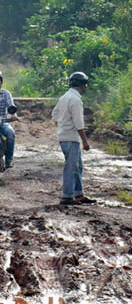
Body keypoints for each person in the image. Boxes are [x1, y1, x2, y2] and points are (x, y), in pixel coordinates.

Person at [52, 72, 94, 205]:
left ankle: (78, 193)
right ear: (82, 85)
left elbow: (54, 114)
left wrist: (62, 125)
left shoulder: (65, 97)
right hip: (71, 137)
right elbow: (78, 123)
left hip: (64, 136)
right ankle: (67, 195)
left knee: (77, 165)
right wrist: (85, 141)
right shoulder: (76, 100)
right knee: (71, 167)